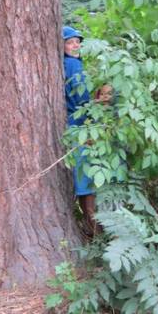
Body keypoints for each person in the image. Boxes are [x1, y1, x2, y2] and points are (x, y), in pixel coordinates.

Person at [63, 26, 100, 236]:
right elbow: (80, 98)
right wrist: (93, 107)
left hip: (71, 125)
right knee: (85, 181)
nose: (75, 45)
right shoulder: (73, 65)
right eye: (69, 42)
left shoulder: (66, 63)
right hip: (79, 127)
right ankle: (95, 233)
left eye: (77, 41)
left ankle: (91, 228)